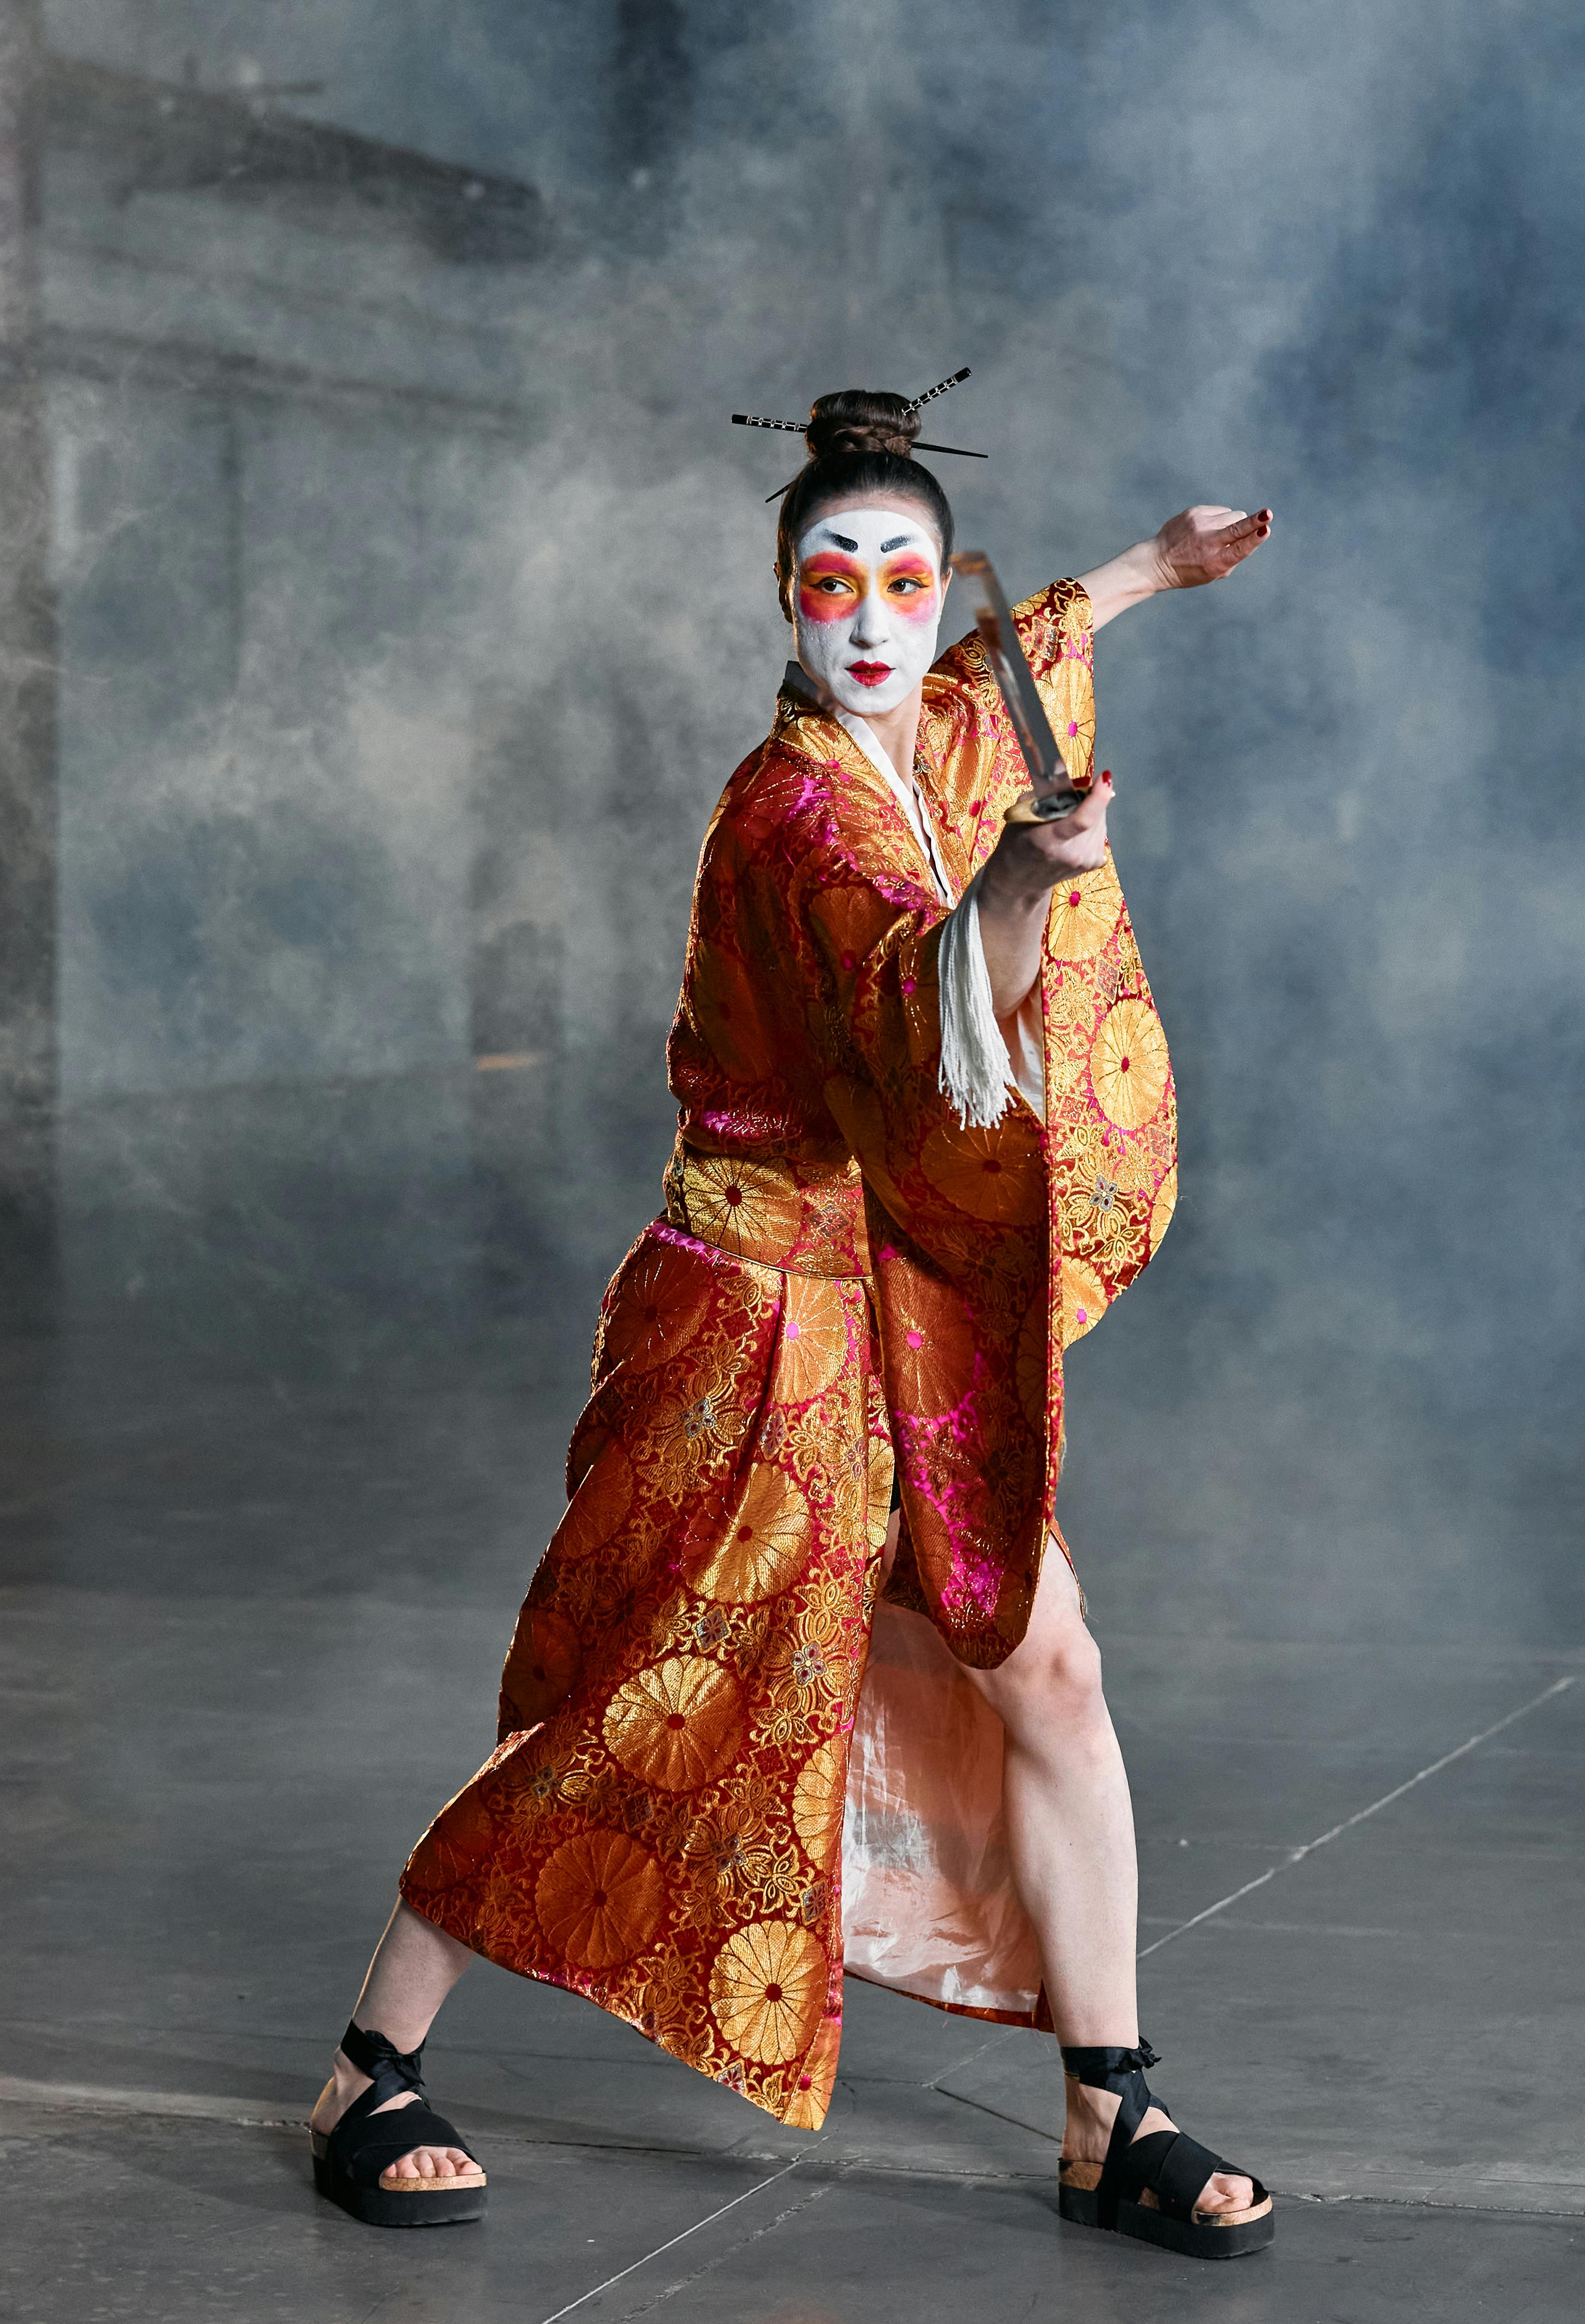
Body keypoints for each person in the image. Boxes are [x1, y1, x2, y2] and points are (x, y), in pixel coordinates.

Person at [308, 383, 1277, 2259]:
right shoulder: (789, 817)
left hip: (900, 1318)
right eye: (834, 582)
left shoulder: (936, 720)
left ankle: (1109, 2108)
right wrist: (1013, 880)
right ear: (784, 598)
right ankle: (367, 2062)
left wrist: (1156, 563)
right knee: (626, 1704)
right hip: (752, 1327)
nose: (874, 614)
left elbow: (1024, 652)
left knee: (1050, 1671)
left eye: (904, 580)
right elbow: (915, 1004)